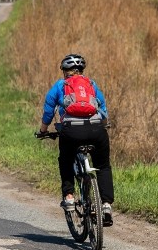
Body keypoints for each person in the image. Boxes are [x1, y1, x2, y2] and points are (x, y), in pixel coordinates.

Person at [36, 53, 114, 226]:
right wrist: (104, 125)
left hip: (71, 131)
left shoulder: (60, 85)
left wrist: (42, 131)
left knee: (65, 160)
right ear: (81, 70)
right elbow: (103, 107)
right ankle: (107, 205)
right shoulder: (91, 84)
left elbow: (49, 111)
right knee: (102, 166)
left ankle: (69, 197)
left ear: (65, 71)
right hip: (96, 130)